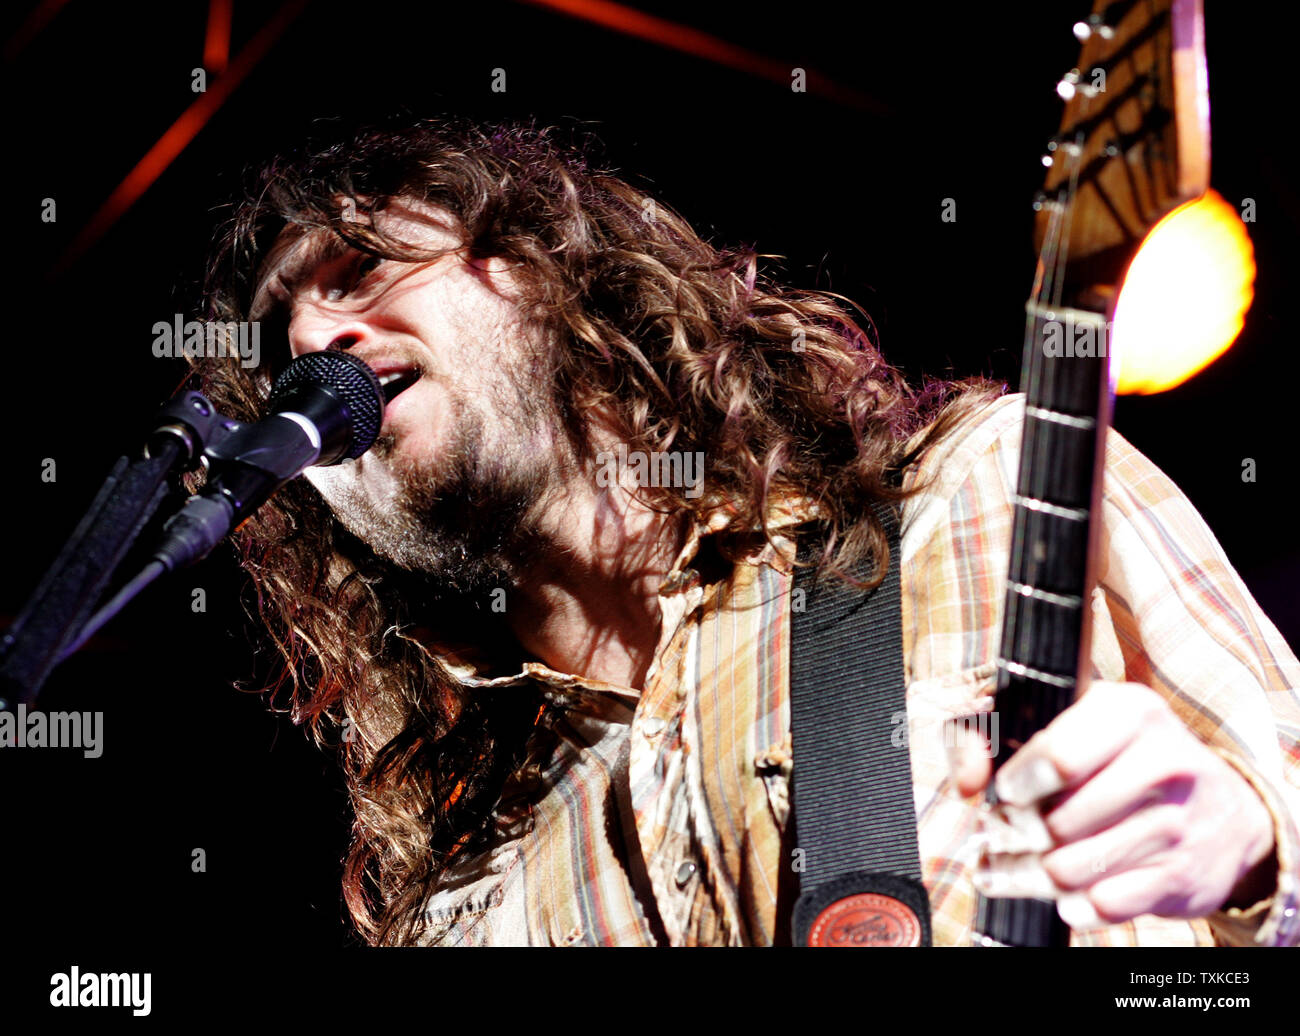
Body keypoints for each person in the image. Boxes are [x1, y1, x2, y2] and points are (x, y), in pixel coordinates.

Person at [191, 116, 1300, 946]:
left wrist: (1248, 849)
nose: (321, 337)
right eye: (291, 355)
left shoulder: (981, 491)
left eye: (361, 272)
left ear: (536, 274)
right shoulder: (458, 898)